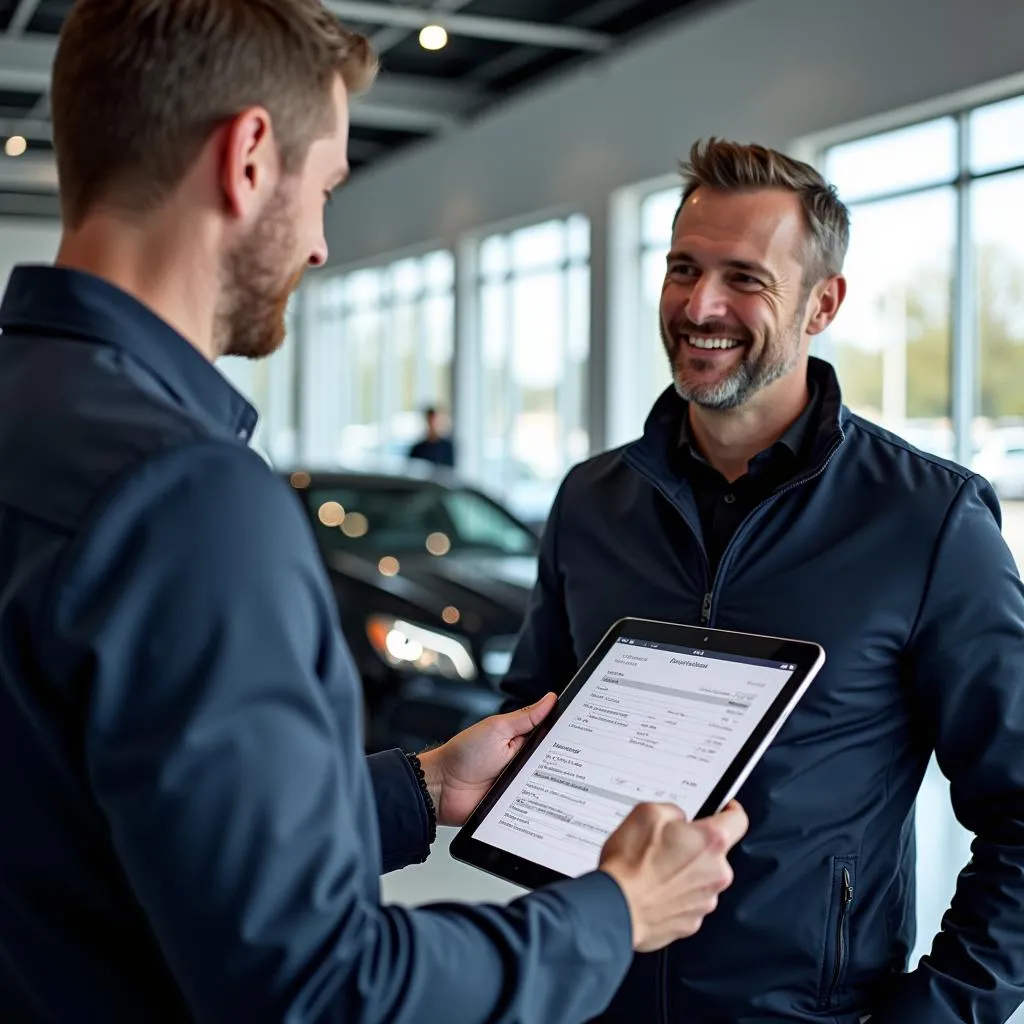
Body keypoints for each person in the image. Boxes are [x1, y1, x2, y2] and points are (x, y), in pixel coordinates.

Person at [0, 3, 750, 1021]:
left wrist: (421, 788)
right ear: (249, 156)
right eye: (327, 190)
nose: (317, 245)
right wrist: (615, 910)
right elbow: (316, 984)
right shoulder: (187, 497)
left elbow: (109, 822)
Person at [501, 138, 1024, 1023]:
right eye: (682, 268)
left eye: (745, 278)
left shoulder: (928, 522)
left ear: (823, 302)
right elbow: (529, 735)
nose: (700, 304)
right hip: (587, 995)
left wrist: (936, 1015)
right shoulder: (591, 501)